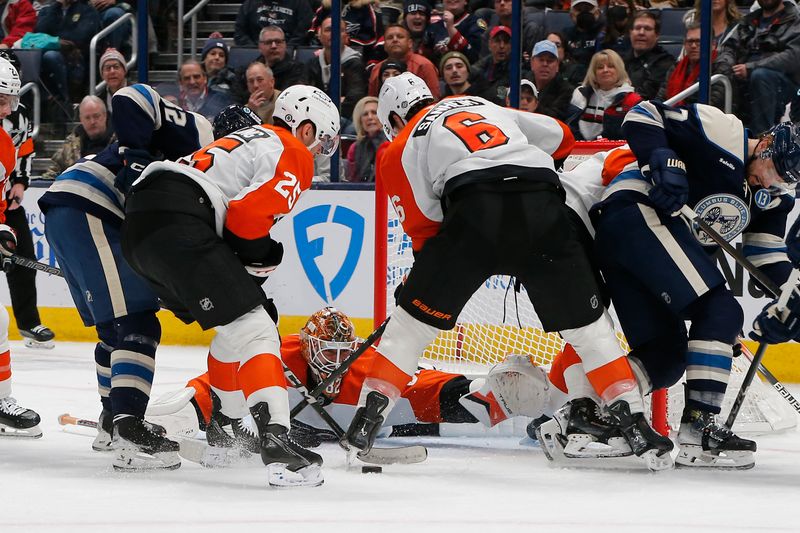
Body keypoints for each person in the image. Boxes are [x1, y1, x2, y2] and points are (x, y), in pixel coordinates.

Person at [342, 72, 673, 469]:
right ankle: (636, 426)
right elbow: (560, 135)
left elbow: (424, 226)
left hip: (475, 209)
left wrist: (422, 287)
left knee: (408, 331)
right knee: (590, 332)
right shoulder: (482, 104)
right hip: (543, 204)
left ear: (394, 117)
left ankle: (363, 428)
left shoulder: (399, 144)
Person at [120, 90, 341, 488]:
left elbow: (229, 216)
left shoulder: (241, 143)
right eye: (321, 140)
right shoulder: (291, 147)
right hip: (180, 218)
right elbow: (245, 217)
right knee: (257, 328)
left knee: (236, 324)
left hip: (140, 224)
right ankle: (277, 439)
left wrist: (249, 270)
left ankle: (223, 430)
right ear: (305, 128)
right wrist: (262, 256)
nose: (319, 151)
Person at [591, 100, 800, 468]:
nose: (774, 182)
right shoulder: (724, 132)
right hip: (637, 211)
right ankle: (700, 429)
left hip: (639, 240)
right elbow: (643, 113)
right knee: (720, 309)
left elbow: (766, 259)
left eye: (786, 180)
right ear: (767, 145)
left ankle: (585, 414)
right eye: (776, 170)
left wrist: (791, 301)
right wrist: (660, 159)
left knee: (666, 355)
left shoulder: (773, 198)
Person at [38, 83, 214, 470]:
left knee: (114, 331)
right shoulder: (203, 136)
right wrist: (135, 159)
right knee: (139, 325)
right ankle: (130, 429)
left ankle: (111, 420)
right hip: (91, 205)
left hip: (70, 206)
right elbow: (130, 97)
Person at [175, 307, 537, 448]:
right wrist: (176, 418)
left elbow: (431, 389)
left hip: (379, 426)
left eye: (342, 350)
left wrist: (483, 392)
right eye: (326, 351)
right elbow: (212, 389)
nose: (336, 361)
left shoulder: (366, 370)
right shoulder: (277, 359)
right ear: (305, 347)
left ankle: (539, 415)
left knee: (425, 417)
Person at [0, 50, 54, 349]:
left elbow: (24, 153)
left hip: (5, 198)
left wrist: (20, 184)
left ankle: (29, 322)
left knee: (24, 259)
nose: (6, 107)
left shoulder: (17, 117)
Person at [0, 57, 40, 438]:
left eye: (10, 100)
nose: (9, 109)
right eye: (1, 100)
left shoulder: (5, 146)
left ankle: (0, 399)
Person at [714, 0, 800, 133]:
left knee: (761, 75)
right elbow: (728, 48)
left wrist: (751, 68)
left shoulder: (795, 19)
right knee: (720, 74)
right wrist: (727, 68)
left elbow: (793, 56)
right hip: (744, 77)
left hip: (784, 84)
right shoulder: (747, 20)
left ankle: (762, 139)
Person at [35, 0, 101, 122]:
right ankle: (43, 104)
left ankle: (64, 104)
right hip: (49, 60)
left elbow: (79, 37)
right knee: (34, 57)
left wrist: (53, 40)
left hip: (76, 61)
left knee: (51, 56)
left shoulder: (87, 11)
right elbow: (39, 31)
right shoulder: (48, 11)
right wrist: (55, 7)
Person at [565, 49, 640, 141]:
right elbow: (571, 127)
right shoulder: (580, 94)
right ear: (593, 72)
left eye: (611, 66)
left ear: (619, 70)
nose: (605, 70)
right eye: (600, 67)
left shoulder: (632, 100)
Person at [306, 16, 367, 123]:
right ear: (319, 36)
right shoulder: (312, 64)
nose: (333, 33)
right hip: (315, 120)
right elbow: (305, 98)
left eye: (339, 30)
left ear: (346, 36)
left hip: (345, 120)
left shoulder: (355, 64)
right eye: (328, 30)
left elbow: (354, 101)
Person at [42, 95, 114, 180]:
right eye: (87, 118)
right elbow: (52, 173)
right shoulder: (71, 145)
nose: (92, 121)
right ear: (81, 119)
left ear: (105, 115)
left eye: (96, 116)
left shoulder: (120, 142)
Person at [657, 23, 724, 108]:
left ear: (713, 45)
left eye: (699, 41)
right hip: (674, 116)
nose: (693, 46)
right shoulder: (676, 67)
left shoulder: (720, 67)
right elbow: (661, 97)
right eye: (690, 41)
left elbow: (713, 104)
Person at [368, 24, 440, 99]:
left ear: (410, 43)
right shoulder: (377, 69)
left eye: (400, 37)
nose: (395, 40)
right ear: (384, 45)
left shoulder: (424, 65)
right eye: (390, 37)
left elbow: (434, 98)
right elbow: (373, 101)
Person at [621, 11, 675, 101]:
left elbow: (646, 95)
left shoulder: (666, 63)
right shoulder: (620, 60)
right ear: (630, 32)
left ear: (657, 35)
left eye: (647, 29)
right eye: (637, 28)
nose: (641, 32)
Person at [421, 0, 484, 66]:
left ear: (465, 1)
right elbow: (424, 60)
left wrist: (450, 28)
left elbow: (474, 57)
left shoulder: (476, 23)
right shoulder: (433, 27)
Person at [526, 39, 574, 121]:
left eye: (550, 61)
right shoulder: (523, 84)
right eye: (541, 60)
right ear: (532, 63)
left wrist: (533, 105)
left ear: (557, 65)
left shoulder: (566, 91)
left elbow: (555, 118)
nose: (545, 64)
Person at [234, 0, 313, 47]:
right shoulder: (249, 4)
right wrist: (255, 50)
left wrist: (284, 49)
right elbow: (240, 33)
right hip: (255, 51)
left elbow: (303, 33)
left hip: (289, 52)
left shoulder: (300, 3)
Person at [254, 26, 308, 91]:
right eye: (268, 42)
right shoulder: (249, 71)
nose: (274, 46)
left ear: (285, 45)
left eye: (278, 42)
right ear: (260, 46)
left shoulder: (298, 70)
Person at [345, 96, 386, 182]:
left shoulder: (393, 144)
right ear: (360, 120)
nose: (370, 117)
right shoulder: (354, 148)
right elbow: (352, 180)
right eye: (365, 114)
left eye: (374, 112)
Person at [563, 0, 604, 83]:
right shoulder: (565, 34)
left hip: (597, 81)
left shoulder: (605, 34)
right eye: (579, 10)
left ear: (597, 13)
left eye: (588, 9)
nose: (584, 13)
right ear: (571, 14)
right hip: (570, 81)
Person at [470, 25, 511, 105]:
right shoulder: (480, 67)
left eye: (506, 42)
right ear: (490, 44)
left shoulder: (516, 70)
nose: (502, 46)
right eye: (497, 41)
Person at [96, 48, 128, 118]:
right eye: (107, 68)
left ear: (124, 71)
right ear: (102, 74)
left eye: (116, 67)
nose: (112, 71)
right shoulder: (99, 101)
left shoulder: (138, 94)